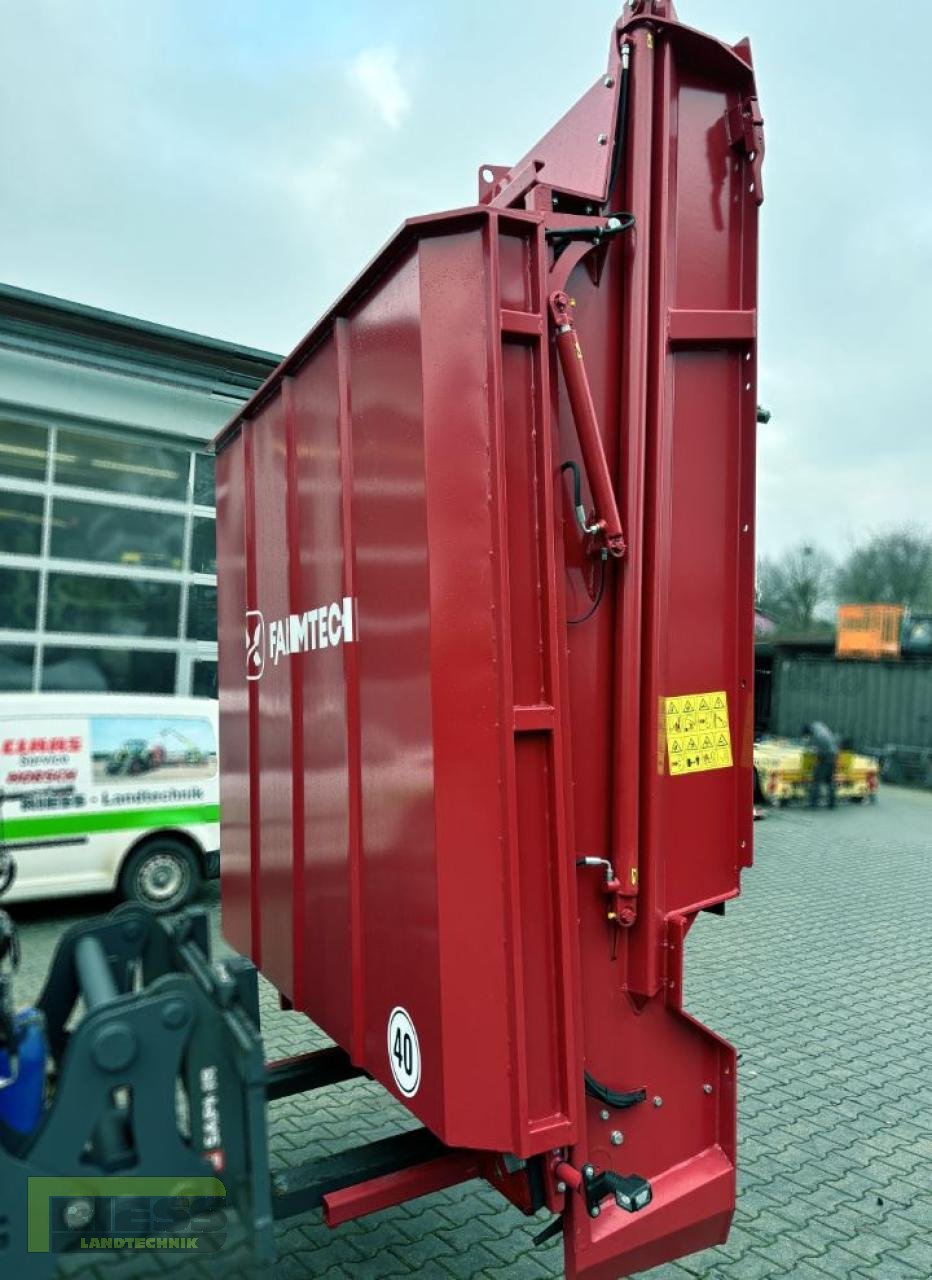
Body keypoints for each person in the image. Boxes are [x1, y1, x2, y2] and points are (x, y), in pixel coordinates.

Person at [801, 722, 838, 809]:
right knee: (829, 781)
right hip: (834, 756)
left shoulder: (818, 735)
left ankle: (813, 804)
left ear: (808, 732)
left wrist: (813, 754)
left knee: (816, 781)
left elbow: (818, 751)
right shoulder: (819, 726)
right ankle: (832, 803)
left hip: (826, 757)